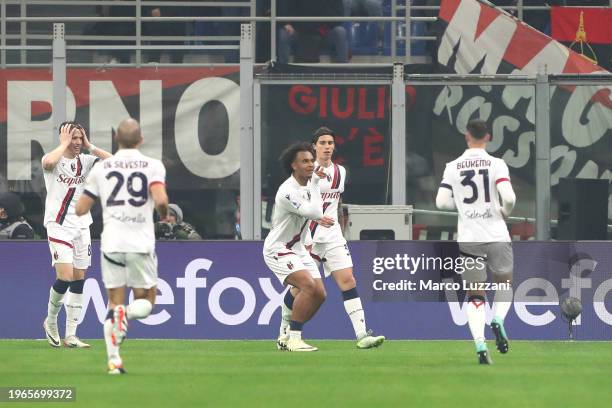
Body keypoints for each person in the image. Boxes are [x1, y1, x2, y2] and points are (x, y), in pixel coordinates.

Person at [75, 118, 169, 374]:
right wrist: (163, 213)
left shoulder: (101, 169)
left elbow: (81, 208)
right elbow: (160, 200)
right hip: (140, 243)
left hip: (112, 243)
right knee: (147, 301)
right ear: (140, 140)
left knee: (113, 302)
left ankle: (114, 361)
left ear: (116, 140)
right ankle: (126, 313)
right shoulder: (152, 165)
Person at [279, 127, 385, 349]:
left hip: (334, 235)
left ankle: (362, 335)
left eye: (330, 143)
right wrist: (316, 220)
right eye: (322, 143)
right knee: (301, 288)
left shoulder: (341, 172)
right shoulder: (307, 173)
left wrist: (337, 224)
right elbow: (300, 206)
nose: (327, 147)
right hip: (308, 238)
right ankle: (285, 330)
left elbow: (336, 202)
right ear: (314, 146)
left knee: (348, 280)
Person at [435, 119, 516, 365]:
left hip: (469, 238)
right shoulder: (496, 164)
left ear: (466, 135)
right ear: (488, 137)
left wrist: (462, 207)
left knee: (474, 295)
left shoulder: (453, 166)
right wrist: (504, 211)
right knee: (504, 284)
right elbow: (510, 197)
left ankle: (480, 343)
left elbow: (440, 202)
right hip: (496, 234)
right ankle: (499, 319)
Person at [42, 122, 112, 349]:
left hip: (82, 226)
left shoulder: (87, 161)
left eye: (80, 138)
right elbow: (48, 162)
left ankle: (71, 335)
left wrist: (91, 146)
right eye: (73, 138)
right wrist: (62, 144)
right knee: (65, 276)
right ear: (63, 138)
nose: (77, 143)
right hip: (59, 225)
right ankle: (50, 321)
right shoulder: (54, 160)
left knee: (79, 278)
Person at [263, 142, 326, 352]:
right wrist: (316, 184)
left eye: (311, 161)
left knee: (319, 294)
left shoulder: (307, 187)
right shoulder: (287, 191)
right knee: (307, 286)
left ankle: (286, 332)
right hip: (277, 249)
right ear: (293, 165)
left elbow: (316, 212)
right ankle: (295, 339)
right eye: (304, 161)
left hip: (298, 249)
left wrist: (314, 184)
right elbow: (315, 213)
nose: (310, 165)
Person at [278, 0, 349, 63]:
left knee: (340, 32)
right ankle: (282, 70)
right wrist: (287, 23)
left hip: (324, 32)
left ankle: (343, 70)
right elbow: (285, 9)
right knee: (283, 34)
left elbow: (339, 16)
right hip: (298, 31)